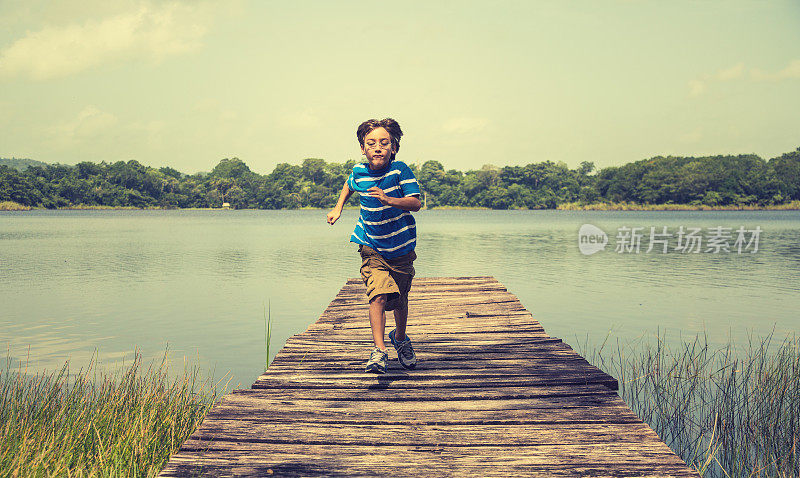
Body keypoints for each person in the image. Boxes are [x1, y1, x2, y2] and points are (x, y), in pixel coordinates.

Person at [327, 118, 422, 374]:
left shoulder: (400, 170)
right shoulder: (359, 171)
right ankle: (379, 351)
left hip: (401, 249)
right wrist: (338, 208)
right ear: (362, 148)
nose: (377, 147)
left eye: (384, 143)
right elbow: (349, 184)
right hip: (371, 246)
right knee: (378, 295)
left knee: (400, 301)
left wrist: (389, 199)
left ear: (393, 147)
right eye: (371, 143)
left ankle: (400, 339)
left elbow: (415, 203)